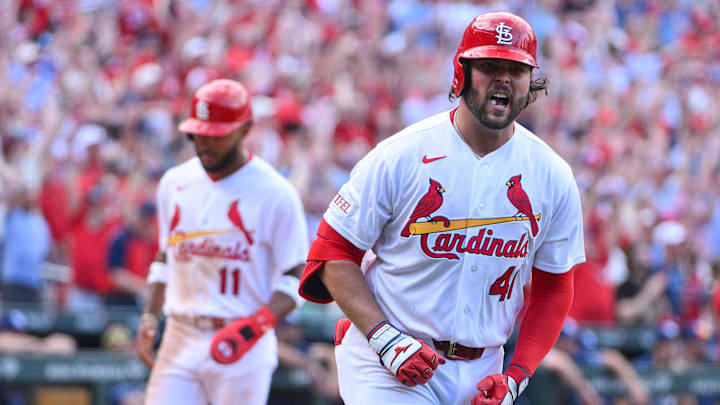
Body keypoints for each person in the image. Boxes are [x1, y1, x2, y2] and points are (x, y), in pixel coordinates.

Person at [299, 11, 585, 405]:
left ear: (530, 82)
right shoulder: (402, 155)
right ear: (461, 73)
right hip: (386, 355)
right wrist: (385, 339)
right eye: (488, 66)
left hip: (483, 367)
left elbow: (555, 288)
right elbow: (332, 253)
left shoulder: (552, 175)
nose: (503, 78)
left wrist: (516, 377)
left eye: (516, 69)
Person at [135, 79, 309, 405]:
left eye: (215, 134)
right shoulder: (174, 183)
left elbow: (298, 274)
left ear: (244, 129)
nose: (204, 142)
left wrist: (256, 326)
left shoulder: (276, 192)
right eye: (197, 133)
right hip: (180, 333)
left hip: (242, 340)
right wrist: (149, 316)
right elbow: (164, 256)